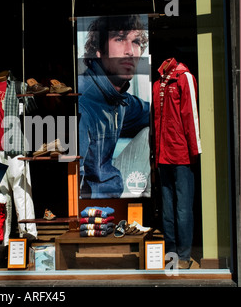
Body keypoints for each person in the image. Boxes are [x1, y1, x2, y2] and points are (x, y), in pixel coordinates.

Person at [78, 14, 151, 199]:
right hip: (94, 202)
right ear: (98, 50)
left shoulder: (118, 98)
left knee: (159, 121)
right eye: (119, 39)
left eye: (135, 42)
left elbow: (153, 112)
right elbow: (73, 181)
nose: (130, 51)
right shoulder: (84, 102)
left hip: (110, 185)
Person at [152, 57, 202, 269]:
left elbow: (191, 115)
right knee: (167, 209)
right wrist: (154, 155)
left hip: (181, 155)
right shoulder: (157, 84)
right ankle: (172, 254)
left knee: (182, 209)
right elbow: (154, 122)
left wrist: (194, 150)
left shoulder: (184, 78)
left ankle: (183, 255)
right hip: (164, 156)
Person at [0, 70, 38, 245]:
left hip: (15, 145)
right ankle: (2, 239)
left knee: (21, 189)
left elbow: (32, 108)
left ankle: (27, 232)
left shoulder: (19, 86)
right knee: (0, 195)